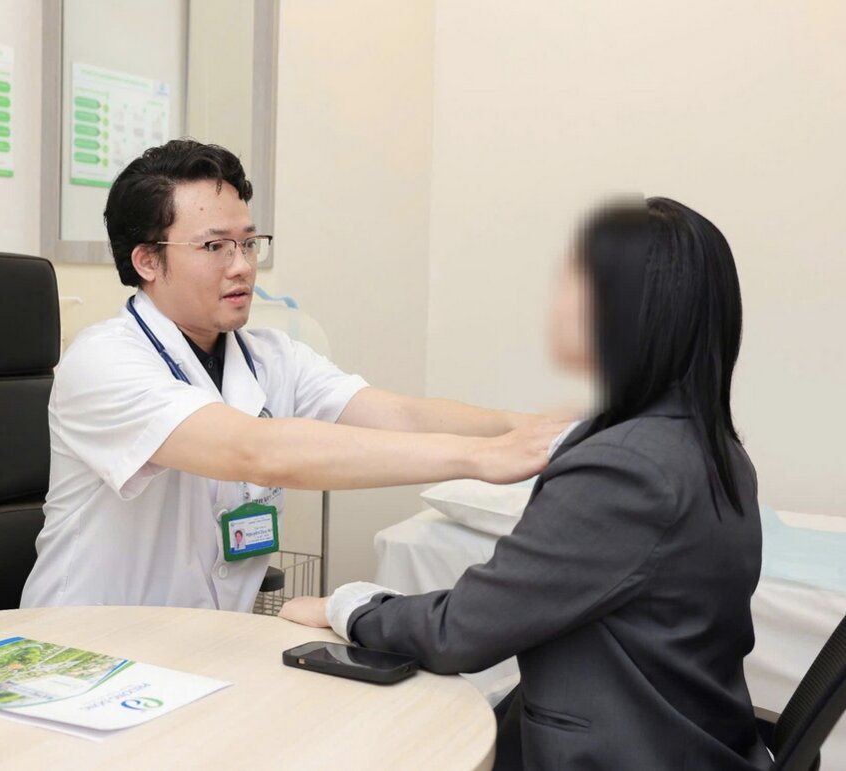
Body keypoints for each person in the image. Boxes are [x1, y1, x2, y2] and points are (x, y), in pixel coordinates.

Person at [281, 197, 772, 770]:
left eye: (577, 280)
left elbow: (460, 630)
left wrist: (349, 605)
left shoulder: (626, 469)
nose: (558, 299)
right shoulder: (714, 448)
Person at [21, 139, 565, 613]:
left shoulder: (271, 357)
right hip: (86, 653)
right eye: (214, 246)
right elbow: (255, 451)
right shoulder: (104, 362)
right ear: (147, 261)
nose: (242, 265)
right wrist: (480, 459)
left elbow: (397, 414)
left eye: (248, 243)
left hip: (203, 648)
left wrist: (530, 429)